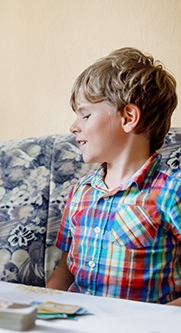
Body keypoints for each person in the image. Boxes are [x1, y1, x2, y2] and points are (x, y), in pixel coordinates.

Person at [46, 47, 181, 306]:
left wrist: (158, 321)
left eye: (85, 114)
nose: (74, 126)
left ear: (129, 117)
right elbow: (64, 272)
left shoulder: (172, 191)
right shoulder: (80, 192)